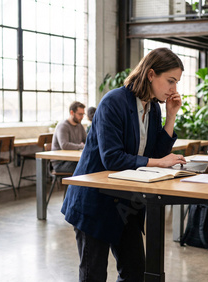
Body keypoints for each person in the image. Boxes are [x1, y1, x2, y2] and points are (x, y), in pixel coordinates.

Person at [61, 47, 186, 281]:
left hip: (126, 203)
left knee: (134, 272)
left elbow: (156, 153)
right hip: (95, 200)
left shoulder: (153, 108)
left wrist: (171, 117)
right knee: (93, 275)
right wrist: (161, 161)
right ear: (151, 75)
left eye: (176, 82)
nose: (174, 89)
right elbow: (113, 158)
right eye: (170, 81)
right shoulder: (114, 102)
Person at [51, 101, 87, 173]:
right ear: (71, 113)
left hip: (73, 160)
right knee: (86, 167)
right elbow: (64, 145)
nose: (82, 117)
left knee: (92, 164)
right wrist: (82, 146)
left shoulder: (79, 125)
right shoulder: (63, 126)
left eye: (83, 114)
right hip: (61, 163)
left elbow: (87, 140)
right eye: (80, 114)